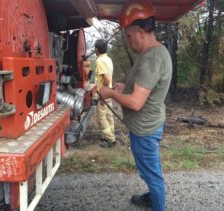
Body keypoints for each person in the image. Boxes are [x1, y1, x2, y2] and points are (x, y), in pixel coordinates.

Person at [100, 0, 172, 210]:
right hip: (151, 123)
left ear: (141, 31)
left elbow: (136, 102)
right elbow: (144, 89)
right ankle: (152, 196)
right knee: (150, 170)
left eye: (129, 35)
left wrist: (111, 92)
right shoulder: (156, 52)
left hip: (145, 130)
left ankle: (157, 204)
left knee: (152, 174)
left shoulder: (151, 59)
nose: (127, 39)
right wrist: (126, 86)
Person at [94, 39, 116, 148]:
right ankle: (110, 135)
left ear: (97, 50)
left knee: (101, 117)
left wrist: (103, 92)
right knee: (109, 115)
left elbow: (106, 78)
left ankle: (110, 140)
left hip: (103, 93)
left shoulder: (100, 61)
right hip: (109, 92)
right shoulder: (108, 59)